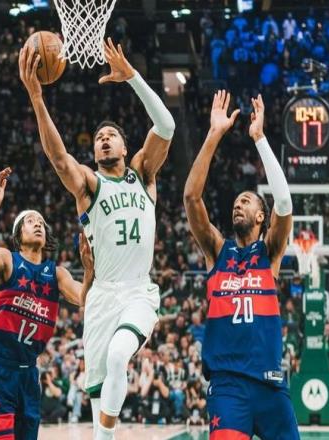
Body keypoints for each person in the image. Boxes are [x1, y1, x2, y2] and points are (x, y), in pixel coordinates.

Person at [19, 37, 175, 440]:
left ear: (125, 145)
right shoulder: (89, 186)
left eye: (111, 135)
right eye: (98, 137)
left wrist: (133, 77)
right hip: (101, 297)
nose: (104, 139)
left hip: (137, 290)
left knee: (121, 354)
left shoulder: (143, 174)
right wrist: (37, 98)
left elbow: (167, 126)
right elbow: (59, 159)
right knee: (96, 399)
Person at [184, 91, 299, 439]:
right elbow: (191, 197)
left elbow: (284, 202)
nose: (238, 204)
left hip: (269, 384)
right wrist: (213, 134)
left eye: (246, 201)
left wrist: (259, 138)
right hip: (228, 385)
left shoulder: (270, 252)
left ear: (261, 217)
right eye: (236, 201)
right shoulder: (217, 250)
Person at [0, 168, 94, 440]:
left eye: (41, 222)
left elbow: (84, 297)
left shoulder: (57, 274)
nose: (38, 224)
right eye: (30, 221)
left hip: (29, 374)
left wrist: (88, 270)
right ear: (18, 233)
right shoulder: (7, 259)